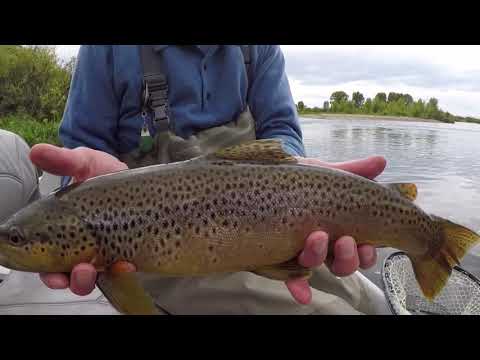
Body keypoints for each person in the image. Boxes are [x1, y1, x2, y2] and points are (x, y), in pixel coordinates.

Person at [5, 45, 390, 314]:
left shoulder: (258, 49)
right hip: (158, 247)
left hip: (268, 215)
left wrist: (294, 179)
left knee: (368, 300)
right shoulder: (106, 50)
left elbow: (280, 129)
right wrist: (78, 181)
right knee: (329, 312)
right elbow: (80, 153)